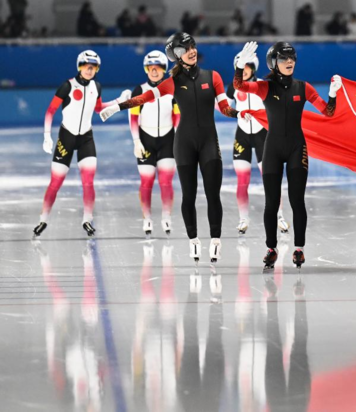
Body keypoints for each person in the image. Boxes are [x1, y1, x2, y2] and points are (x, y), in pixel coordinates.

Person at [100, 33, 241, 264]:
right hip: (183, 144)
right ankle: (193, 241)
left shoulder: (212, 76)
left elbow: (224, 108)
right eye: (186, 48)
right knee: (189, 195)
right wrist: (118, 107)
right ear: (177, 56)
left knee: (213, 194)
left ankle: (216, 241)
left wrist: (239, 114)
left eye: (193, 45)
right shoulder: (172, 83)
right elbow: (143, 98)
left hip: (209, 143)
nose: (192, 50)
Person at [233, 41, 341, 269]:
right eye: (284, 59)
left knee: (297, 200)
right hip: (271, 148)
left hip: (296, 148)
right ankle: (271, 249)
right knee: (271, 203)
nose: (289, 62)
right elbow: (239, 86)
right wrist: (239, 66)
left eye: (292, 58)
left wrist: (333, 95)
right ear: (274, 63)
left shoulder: (303, 87)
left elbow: (328, 112)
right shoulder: (264, 87)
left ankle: (299, 249)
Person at [33, 50, 130, 238]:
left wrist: (119, 100)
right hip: (66, 138)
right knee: (56, 182)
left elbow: (98, 109)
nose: (90, 70)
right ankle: (43, 219)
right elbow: (50, 111)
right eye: (87, 66)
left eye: (93, 67)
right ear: (80, 66)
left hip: (86, 137)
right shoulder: (67, 86)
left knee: (88, 182)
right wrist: (47, 135)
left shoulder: (97, 87)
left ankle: (87, 219)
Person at [226, 52, 289, 235]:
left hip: (263, 137)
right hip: (242, 137)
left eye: (246, 68)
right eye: (240, 68)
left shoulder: (263, 85)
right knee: (242, 181)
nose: (243, 72)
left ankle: (279, 216)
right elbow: (225, 106)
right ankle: (243, 218)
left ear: (252, 69)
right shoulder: (233, 87)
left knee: (270, 179)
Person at [128, 51, 179, 237]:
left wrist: (178, 135)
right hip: (145, 140)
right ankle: (147, 218)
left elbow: (177, 115)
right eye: (151, 68)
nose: (155, 72)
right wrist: (136, 141)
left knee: (166, 181)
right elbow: (133, 118)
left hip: (168, 140)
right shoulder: (139, 91)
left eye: (158, 68)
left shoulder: (173, 89)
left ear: (164, 70)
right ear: (146, 70)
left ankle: (166, 216)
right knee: (147, 181)